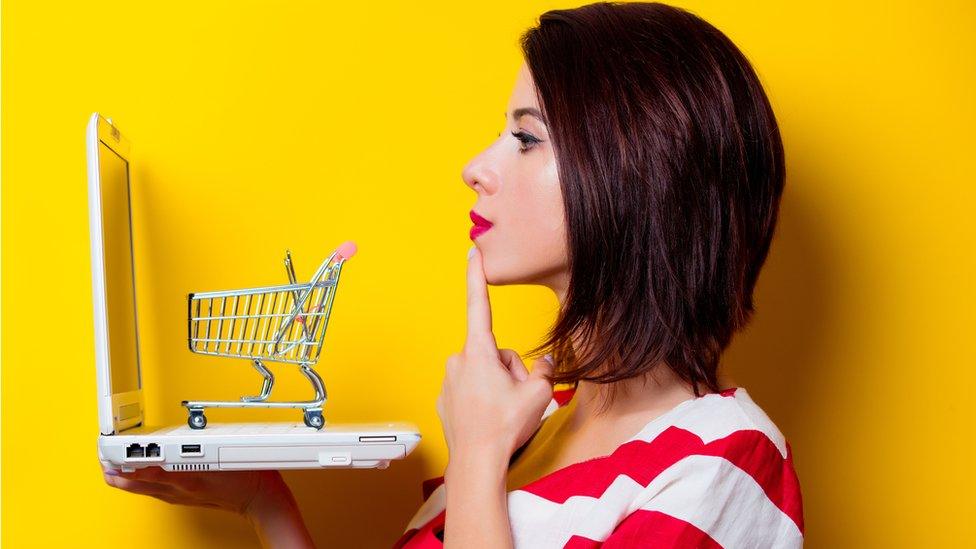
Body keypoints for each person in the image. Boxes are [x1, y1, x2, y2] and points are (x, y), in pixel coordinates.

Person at [103, 2, 805, 547]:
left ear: (638, 178)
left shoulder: (726, 462)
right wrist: (265, 500)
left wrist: (473, 451)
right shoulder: (531, 424)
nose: (476, 166)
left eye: (527, 138)